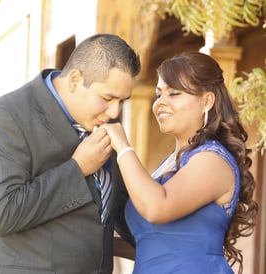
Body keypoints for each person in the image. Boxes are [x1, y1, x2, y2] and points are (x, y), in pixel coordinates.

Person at [0, 33, 141, 274]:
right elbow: (3, 214)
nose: (115, 111)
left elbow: (120, 209)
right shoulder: (6, 117)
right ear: (75, 80)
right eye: (108, 98)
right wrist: (78, 168)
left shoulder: (101, 124)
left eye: (123, 100)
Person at [101, 52, 258, 274]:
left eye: (174, 93)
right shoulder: (169, 165)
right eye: (158, 95)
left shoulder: (212, 160)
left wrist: (123, 147)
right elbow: (159, 244)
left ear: (207, 101)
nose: (160, 103)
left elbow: (157, 207)